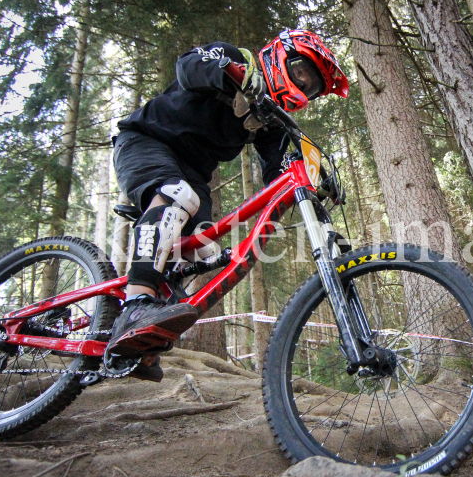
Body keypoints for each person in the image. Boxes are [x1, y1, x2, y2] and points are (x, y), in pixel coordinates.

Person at [105, 30, 349, 381]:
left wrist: (314, 179)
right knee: (177, 197)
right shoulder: (235, 58)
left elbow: (276, 173)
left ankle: (142, 339)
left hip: (193, 176)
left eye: (311, 88)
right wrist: (228, 71)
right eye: (301, 73)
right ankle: (135, 304)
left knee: (201, 251)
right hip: (145, 142)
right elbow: (187, 68)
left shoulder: (269, 121)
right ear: (281, 57)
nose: (303, 87)